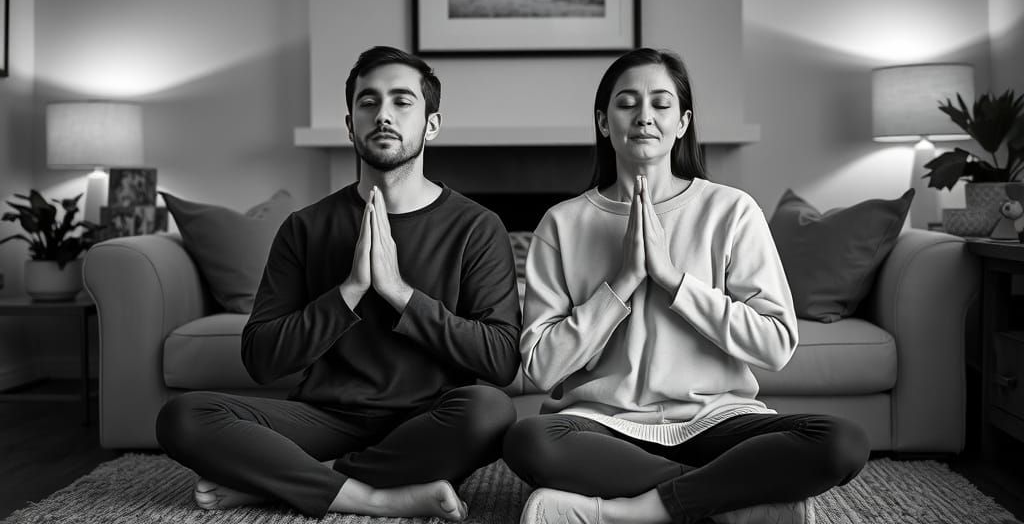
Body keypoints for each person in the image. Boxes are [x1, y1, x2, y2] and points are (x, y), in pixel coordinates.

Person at [503, 48, 869, 524]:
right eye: (626, 103)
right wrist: (624, 282)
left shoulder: (731, 210)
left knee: (842, 442)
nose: (643, 117)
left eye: (660, 103)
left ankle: (639, 511)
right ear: (602, 121)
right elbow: (541, 368)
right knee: (528, 441)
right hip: (605, 426)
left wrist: (673, 282)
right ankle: (729, 500)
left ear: (682, 122)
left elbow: (777, 344)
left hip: (718, 421)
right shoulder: (563, 223)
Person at [156, 46, 522, 521]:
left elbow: (500, 360)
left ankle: (300, 481)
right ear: (350, 124)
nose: (383, 114)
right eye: (368, 102)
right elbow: (262, 359)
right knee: (183, 417)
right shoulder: (305, 228)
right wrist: (350, 290)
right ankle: (373, 496)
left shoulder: (476, 226)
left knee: (490, 412)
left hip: (429, 420)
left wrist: (399, 294)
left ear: (431, 124)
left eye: (402, 101)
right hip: (328, 417)